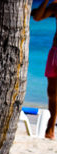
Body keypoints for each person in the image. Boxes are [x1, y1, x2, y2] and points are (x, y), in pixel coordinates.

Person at [32, 0, 57, 139]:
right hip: (55, 51)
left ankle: (50, 127)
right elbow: (37, 18)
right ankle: (51, 127)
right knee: (52, 92)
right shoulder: (55, 5)